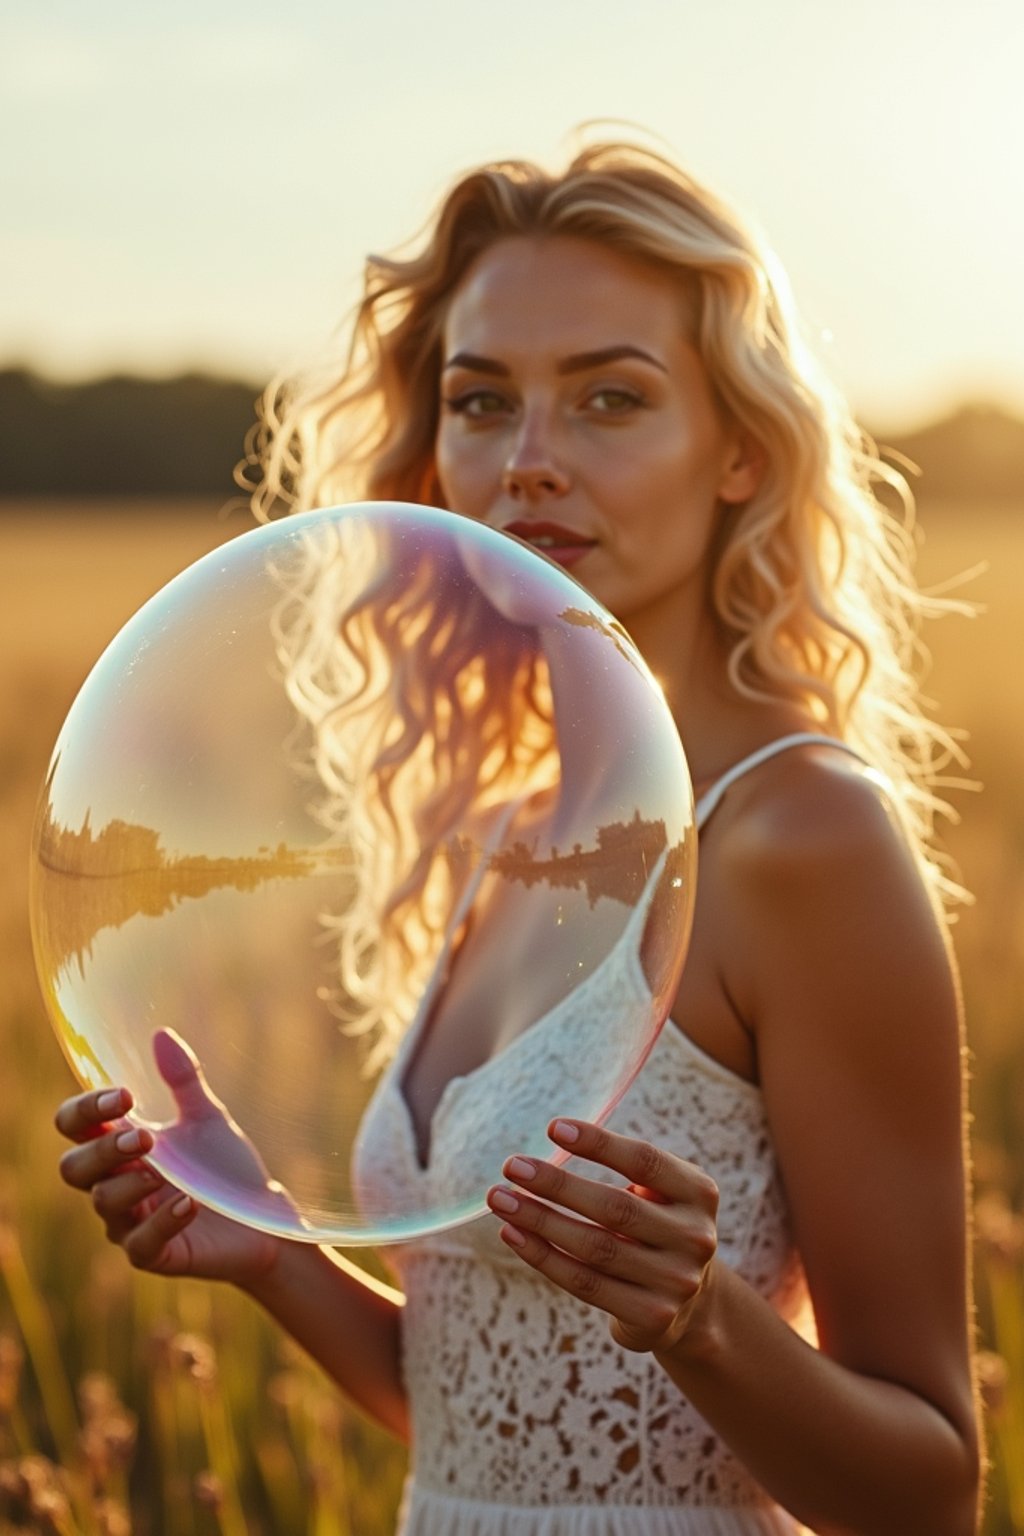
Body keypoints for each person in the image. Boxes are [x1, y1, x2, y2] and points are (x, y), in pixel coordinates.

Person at [55, 139, 982, 1534]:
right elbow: (507, 1427)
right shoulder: (515, 828)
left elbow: (928, 1493)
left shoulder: (799, 838)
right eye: (483, 402)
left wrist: (702, 1320)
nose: (530, 463)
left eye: (611, 397)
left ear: (740, 450)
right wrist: (275, 1256)